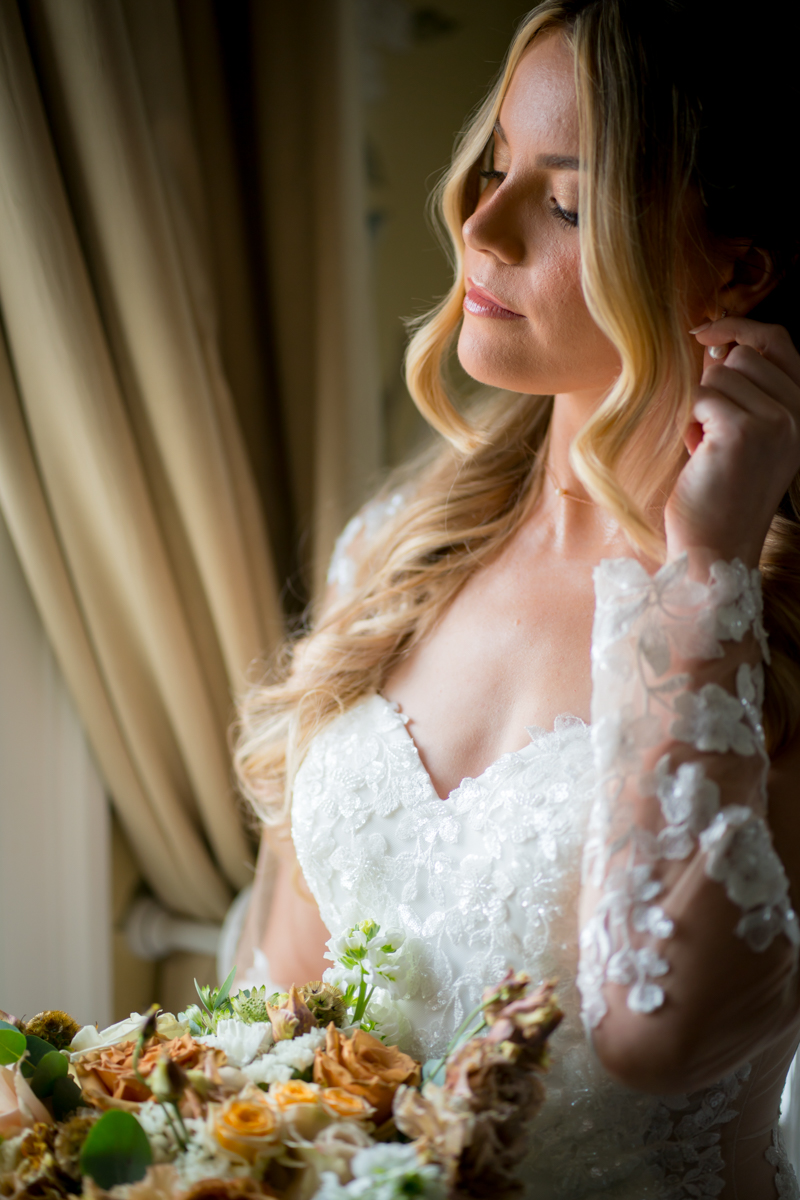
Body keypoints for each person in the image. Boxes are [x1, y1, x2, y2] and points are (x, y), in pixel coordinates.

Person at [234, 2, 800, 1195]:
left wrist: (701, 572)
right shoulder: (394, 554)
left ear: (735, 268)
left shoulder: (765, 640)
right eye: (491, 169)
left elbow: (656, 1031)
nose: (477, 228)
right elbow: (275, 1011)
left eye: (564, 204)